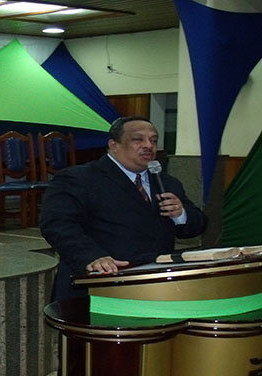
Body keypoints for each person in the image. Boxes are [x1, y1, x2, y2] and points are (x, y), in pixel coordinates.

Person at [39, 116, 208, 301]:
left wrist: (181, 214)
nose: (148, 146)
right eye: (138, 139)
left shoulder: (167, 182)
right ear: (114, 145)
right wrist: (92, 257)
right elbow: (57, 224)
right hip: (98, 285)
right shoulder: (79, 178)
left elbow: (197, 225)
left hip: (155, 286)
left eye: (153, 140)